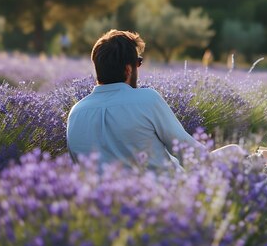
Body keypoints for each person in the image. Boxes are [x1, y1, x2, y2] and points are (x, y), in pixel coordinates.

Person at [67, 29, 203, 170]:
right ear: (128, 70)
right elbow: (187, 151)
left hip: (99, 191)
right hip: (160, 189)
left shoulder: (76, 112)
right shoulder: (147, 100)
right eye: (138, 62)